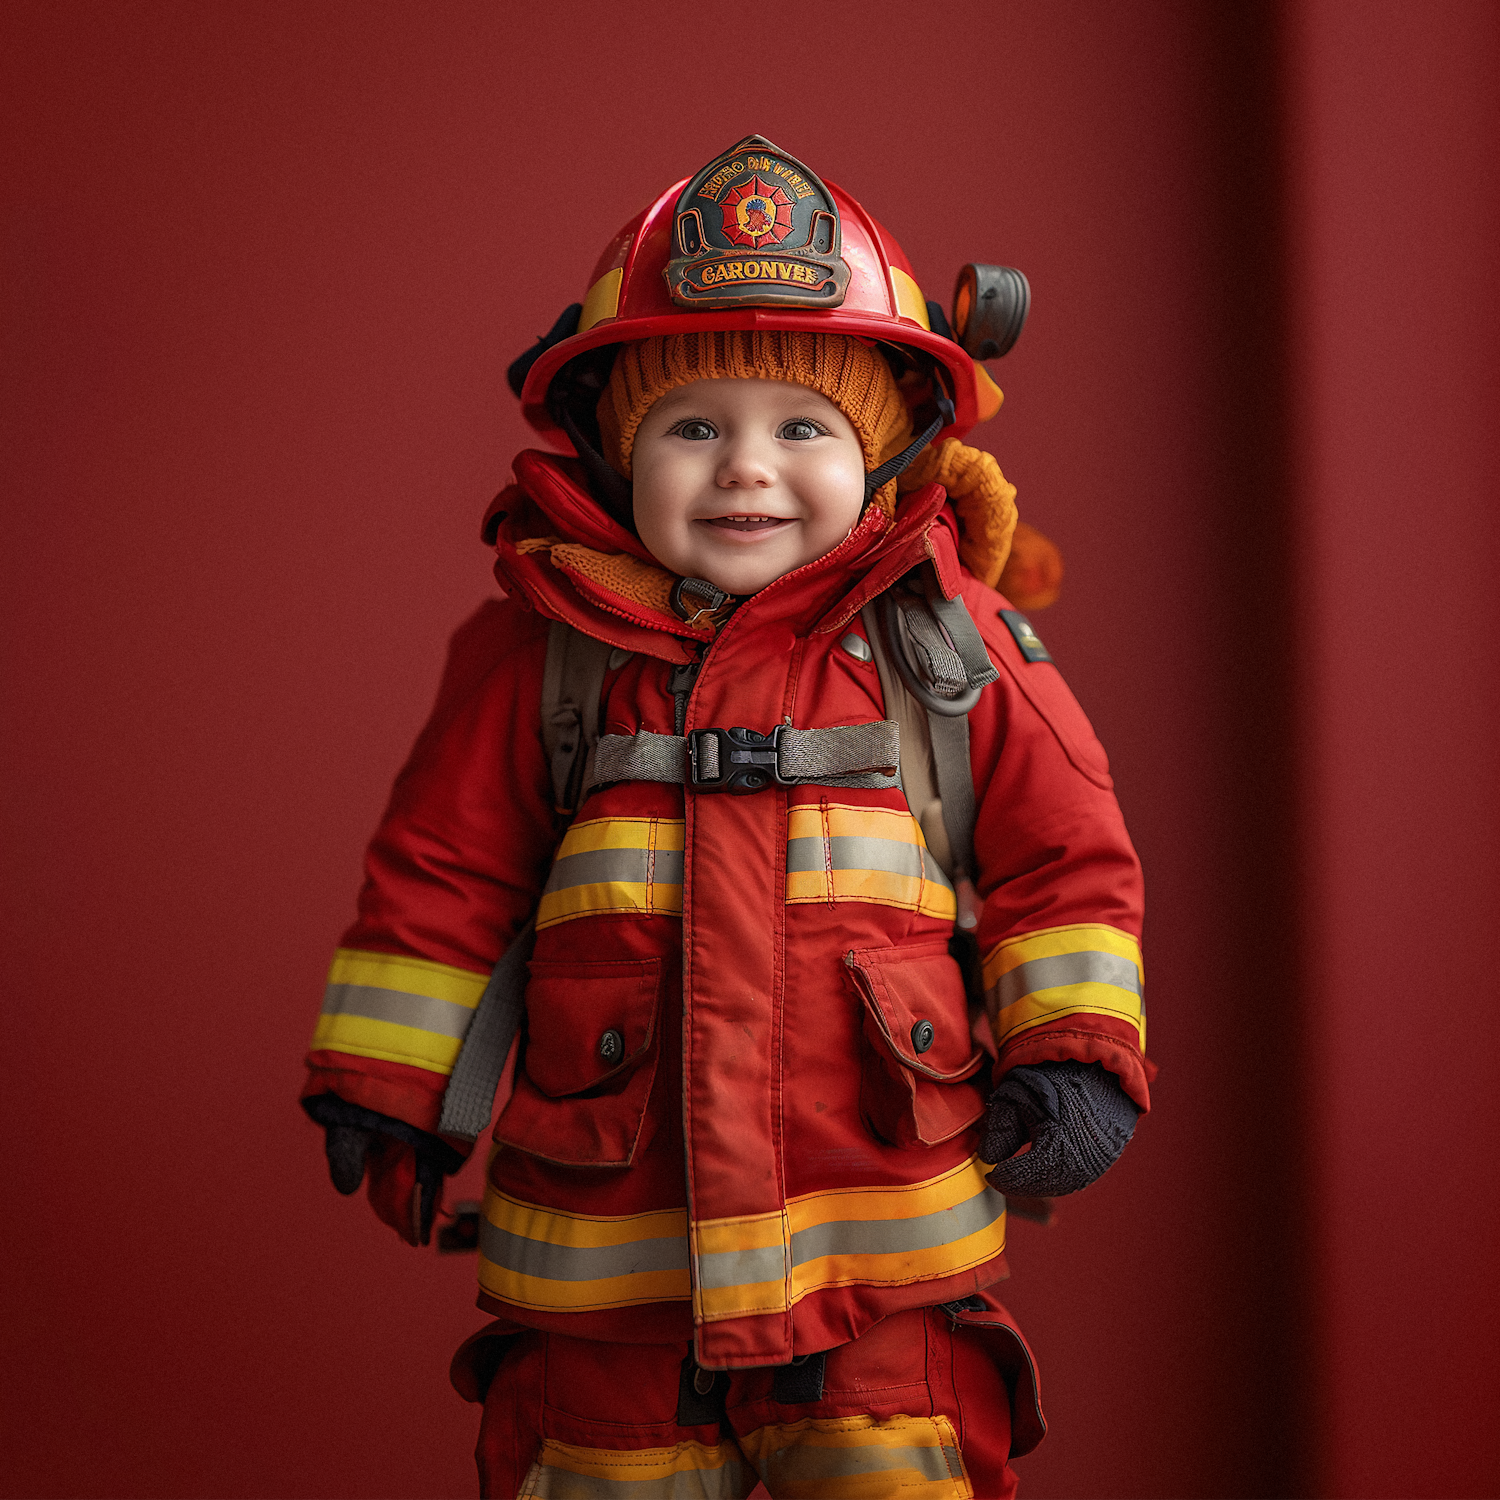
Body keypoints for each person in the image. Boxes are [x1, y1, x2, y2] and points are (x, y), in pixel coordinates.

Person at [302, 136, 1150, 1499]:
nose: (747, 469)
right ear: (615, 444)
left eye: (803, 428)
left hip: (884, 1265)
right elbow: (441, 873)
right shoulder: (539, 651)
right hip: (607, 1269)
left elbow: (1070, 863)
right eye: (694, 426)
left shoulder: (955, 646)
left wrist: (1079, 1056)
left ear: (882, 448)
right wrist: (386, 1084)